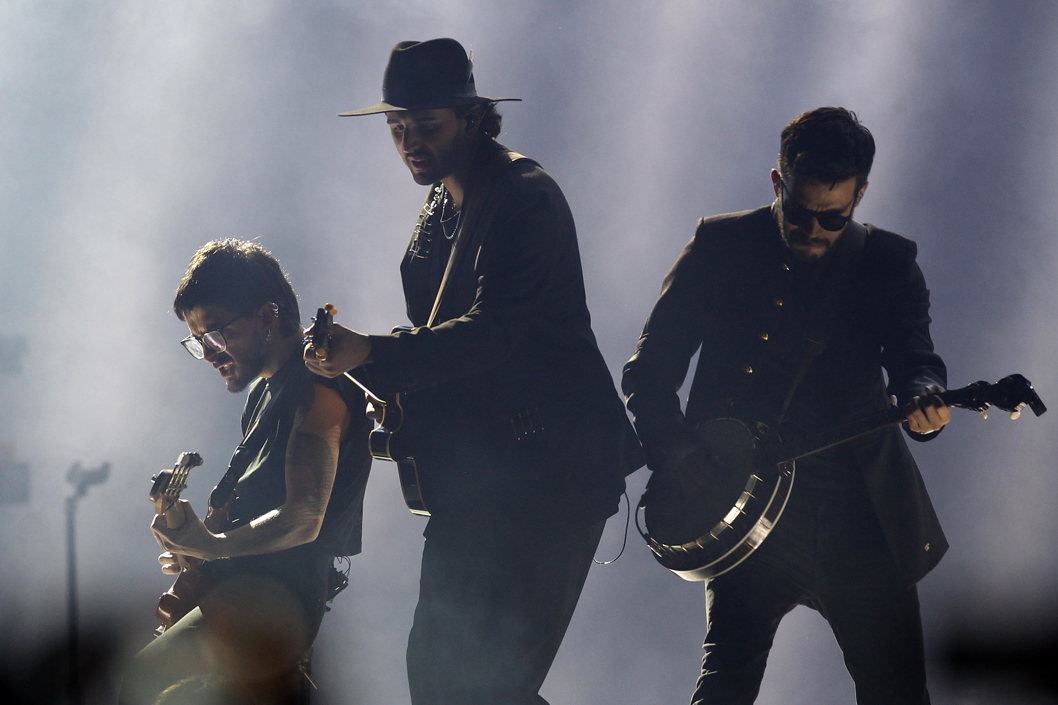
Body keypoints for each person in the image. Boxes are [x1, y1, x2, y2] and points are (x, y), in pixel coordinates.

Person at [305, 38, 641, 705]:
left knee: (487, 685)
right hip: (480, 484)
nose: (409, 142)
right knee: (438, 678)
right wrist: (386, 383)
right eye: (398, 128)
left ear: (473, 117)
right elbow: (442, 345)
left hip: (552, 478)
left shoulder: (525, 199)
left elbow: (496, 334)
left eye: (426, 126)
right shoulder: (438, 212)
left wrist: (372, 351)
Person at [622, 107, 951, 704]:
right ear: (778, 183)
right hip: (747, 508)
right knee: (724, 686)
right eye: (800, 214)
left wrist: (924, 398)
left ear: (860, 196)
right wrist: (675, 447)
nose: (815, 230)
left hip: (861, 518)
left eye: (834, 216)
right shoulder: (720, 246)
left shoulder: (888, 263)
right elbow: (648, 372)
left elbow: (916, 360)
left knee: (898, 693)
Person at [120, 239, 371, 705]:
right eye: (197, 342)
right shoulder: (261, 396)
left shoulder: (319, 385)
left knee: (147, 679)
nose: (209, 352)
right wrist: (193, 542)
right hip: (241, 592)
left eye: (215, 334)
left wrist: (213, 547)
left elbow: (303, 517)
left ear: (266, 317)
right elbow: (249, 511)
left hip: (276, 604)